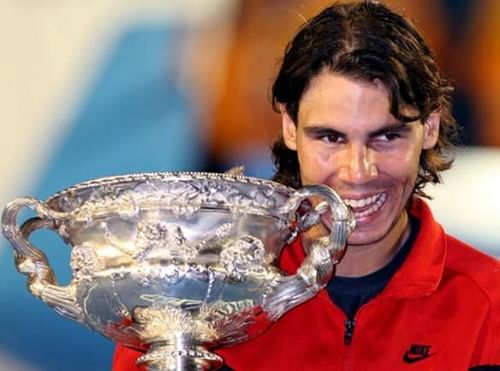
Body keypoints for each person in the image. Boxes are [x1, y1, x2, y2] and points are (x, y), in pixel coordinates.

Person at [112, 1, 500, 369]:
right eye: (330, 138)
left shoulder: (491, 307)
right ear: (289, 128)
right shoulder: (189, 300)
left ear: (429, 127)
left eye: (386, 137)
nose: (358, 172)